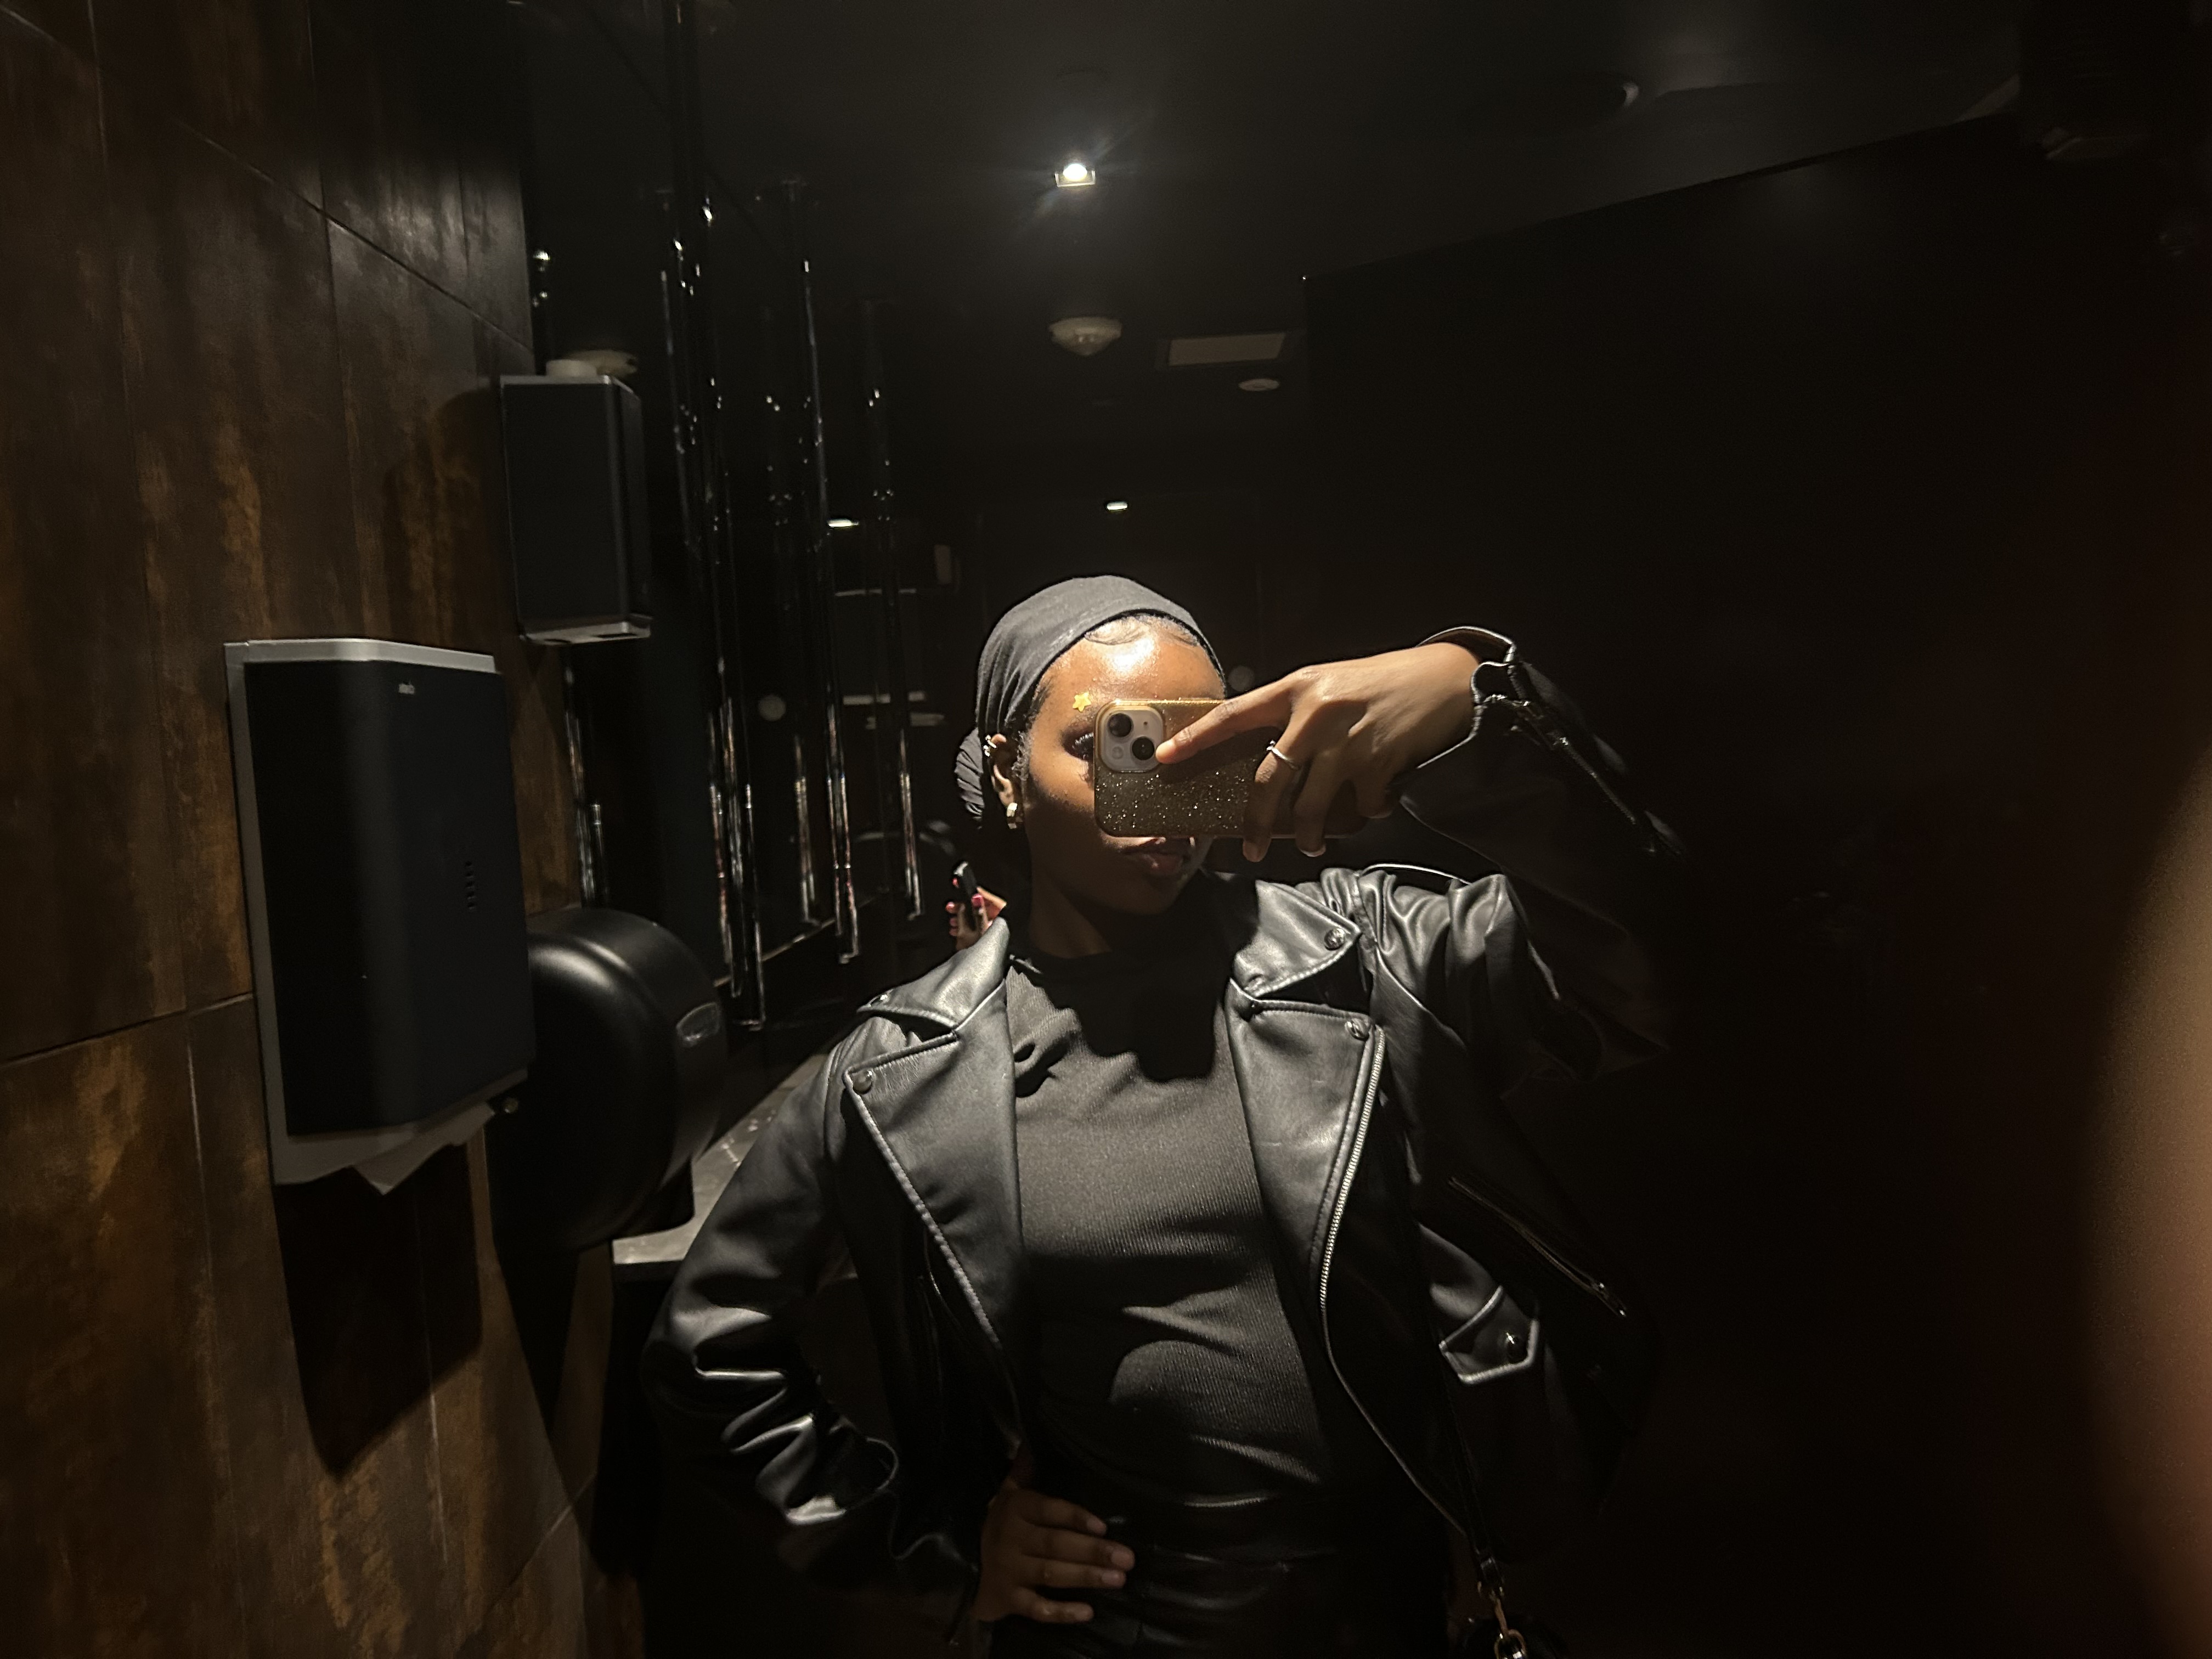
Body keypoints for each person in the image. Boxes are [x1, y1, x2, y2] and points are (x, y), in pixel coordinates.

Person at [644, 576, 1680, 1656]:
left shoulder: (1361, 957)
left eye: (1197, 743)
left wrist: (1476, 707)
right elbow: (708, 1348)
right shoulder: (910, 1066)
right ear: (1005, 773)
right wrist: (926, 1549)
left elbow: (1641, 981)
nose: (1162, 781)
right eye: (1113, 742)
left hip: (1395, 1612)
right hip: (1109, 1630)